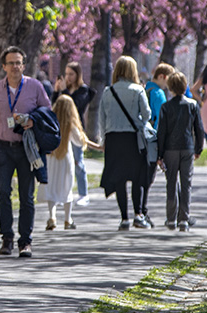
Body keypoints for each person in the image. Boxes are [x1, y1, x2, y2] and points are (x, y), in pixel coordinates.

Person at [0, 46, 52, 258]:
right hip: (3, 147)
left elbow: (48, 113)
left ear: (23, 65)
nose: (15, 67)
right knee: (2, 192)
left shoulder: (35, 87)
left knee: (27, 196)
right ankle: (7, 238)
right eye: (10, 63)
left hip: (26, 148)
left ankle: (25, 241)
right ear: (4, 66)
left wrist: (33, 120)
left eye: (18, 62)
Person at [99, 55, 153, 230]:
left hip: (113, 139)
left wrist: (103, 139)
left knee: (119, 179)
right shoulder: (138, 90)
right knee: (137, 177)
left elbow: (102, 118)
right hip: (132, 139)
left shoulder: (108, 91)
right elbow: (147, 115)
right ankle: (138, 214)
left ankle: (124, 218)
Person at [39, 96, 100, 230]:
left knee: (52, 188)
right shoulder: (70, 124)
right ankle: (68, 219)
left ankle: (52, 217)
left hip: (51, 158)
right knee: (66, 188)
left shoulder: (49, 121)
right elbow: (80, 141)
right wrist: (98, 147)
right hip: (65, 158)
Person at [157, 72, 205, 231]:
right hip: (187, 147)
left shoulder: (166, 107)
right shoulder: (192, 105)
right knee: (186, 184)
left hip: (170, 149)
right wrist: (198, 148)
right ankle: (184, 218)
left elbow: (161, 132)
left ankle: (171, 218)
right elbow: (199, 129)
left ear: (170, 87)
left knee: (171, 183)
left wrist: (159, 153)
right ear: (185, 86)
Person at [52, 62, 96, 206]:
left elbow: (74, 108)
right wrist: (56, 91)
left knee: (78, 162)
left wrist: (65, 91)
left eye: (71, 74)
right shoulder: (65, 89)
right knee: (61, 162)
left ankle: (83, 194)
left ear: (78, 75)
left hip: (75, 129)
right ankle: (62, 193)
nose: (68, 77)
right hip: (62, 130)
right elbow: (55, 107)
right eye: (66, 74)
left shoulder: (83, 91)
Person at [139, 63, 174, 226]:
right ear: (162, 77)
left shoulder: (145, 90)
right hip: (153, 140)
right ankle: (143, 211)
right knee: (149, 177)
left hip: (141, 138)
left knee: (141, 176)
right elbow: (161, 121)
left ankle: (140, 210)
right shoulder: (159, 93)